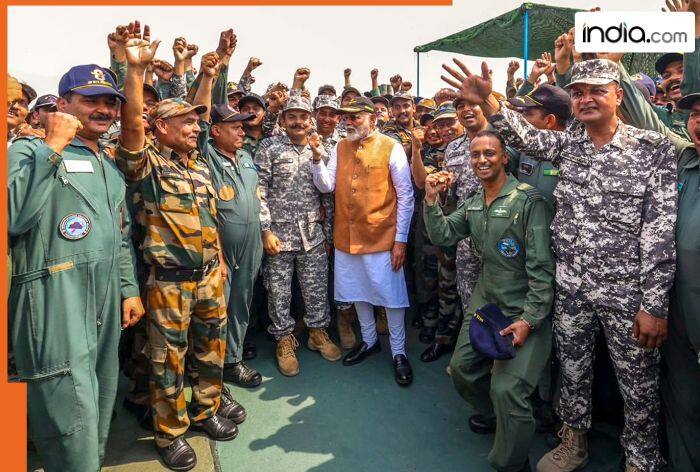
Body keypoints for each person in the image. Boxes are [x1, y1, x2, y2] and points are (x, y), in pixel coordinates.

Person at [442, 57, 677, 472]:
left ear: (618, 95)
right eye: (579, 92)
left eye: (597, 91)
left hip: (627, 292)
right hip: (571, 287)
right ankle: (574, 441)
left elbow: (660, 232)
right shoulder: (570, 144)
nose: (586, 99)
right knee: (572, 370)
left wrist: (654, 305)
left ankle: (641, 458)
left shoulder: (652, 149)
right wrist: (490, 102)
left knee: (638, 381)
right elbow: (525, 135)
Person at [8, 64, 144, 471]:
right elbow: (13, 217)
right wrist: (52, 145)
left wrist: (128, 288)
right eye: (91, 100)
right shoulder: (28, 150)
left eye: (110, 103)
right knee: (67, 407)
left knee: (98, 400)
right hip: (53, 293)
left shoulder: (107, 162)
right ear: (63, 103)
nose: (104, 110)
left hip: (104, 294)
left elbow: (119, 235)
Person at [116, 35, 238, 470]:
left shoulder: (198, 166)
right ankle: (170, 433)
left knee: (211, 351)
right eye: (186, 123)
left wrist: (219, 260)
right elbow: (132, 127)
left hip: (208, 277)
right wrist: (134, 71)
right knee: (166, 363)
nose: (196, 128)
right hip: (169, 283)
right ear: (161, 127)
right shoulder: (148, 165)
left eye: (197, 123)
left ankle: (206, 411)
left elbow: (209, 219)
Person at [424, 130, 555, 472]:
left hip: (525, 306)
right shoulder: (474, 202)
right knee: (462, 370)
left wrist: (529, 319)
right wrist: (431, 201)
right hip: (488, 300)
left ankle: (511, 461)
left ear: (504, 158)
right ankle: (498, 416)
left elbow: (542, 270)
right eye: (476, 154)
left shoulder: (528, 202)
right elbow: (443, 235)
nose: (482, 160)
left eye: (489, 153)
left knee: (507, 388)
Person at [615, 47, 700, 471]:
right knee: (684, 409)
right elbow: (646, 120)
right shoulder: (684, 159)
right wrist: (612, 66)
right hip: (680, 321)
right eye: (695, 113)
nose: (698, 120)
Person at [312, 96, 415, 386]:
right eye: (346, 116)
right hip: (347, 236)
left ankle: (398, 351)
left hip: (381, 236)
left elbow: (406, 196)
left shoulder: (391, 146)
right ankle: (369, 341)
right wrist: (317, 159)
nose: (349, 121)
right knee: (357, 290)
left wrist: (401, 241)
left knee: (391, 297)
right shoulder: (339, 147)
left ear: (373, 118)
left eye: (356, 116)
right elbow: (327, 186)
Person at [254, 93, 342, 377]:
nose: (298, 122)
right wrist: (265, 230)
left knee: (316, 288)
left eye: (303, 117)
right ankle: (283, 339)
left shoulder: (320, 150)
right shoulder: (269, 147)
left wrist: (327, 236)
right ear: (283, 119)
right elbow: (259, 191)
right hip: (278, 236)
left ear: (310, 120)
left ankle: (317, 333)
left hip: (312, 234)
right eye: (292, 116)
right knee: (278, 292)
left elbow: (327, 197)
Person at [200, 104, 263, 392]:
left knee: (241, 302)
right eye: (235, 127)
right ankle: (210, 371)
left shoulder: (246, 156)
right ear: (215, 131)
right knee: (217, 308)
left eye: (242, 126)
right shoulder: (206, 154)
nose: (241, 131)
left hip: (251, 244)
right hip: (221, 248)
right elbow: (200, 120)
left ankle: (232, 361)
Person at [508, 84, 571, 203]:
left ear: (549, 120)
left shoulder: (573, 152)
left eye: (528, 113)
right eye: (522, 112)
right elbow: (495, 153)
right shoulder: (523, 146)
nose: (521, 118)